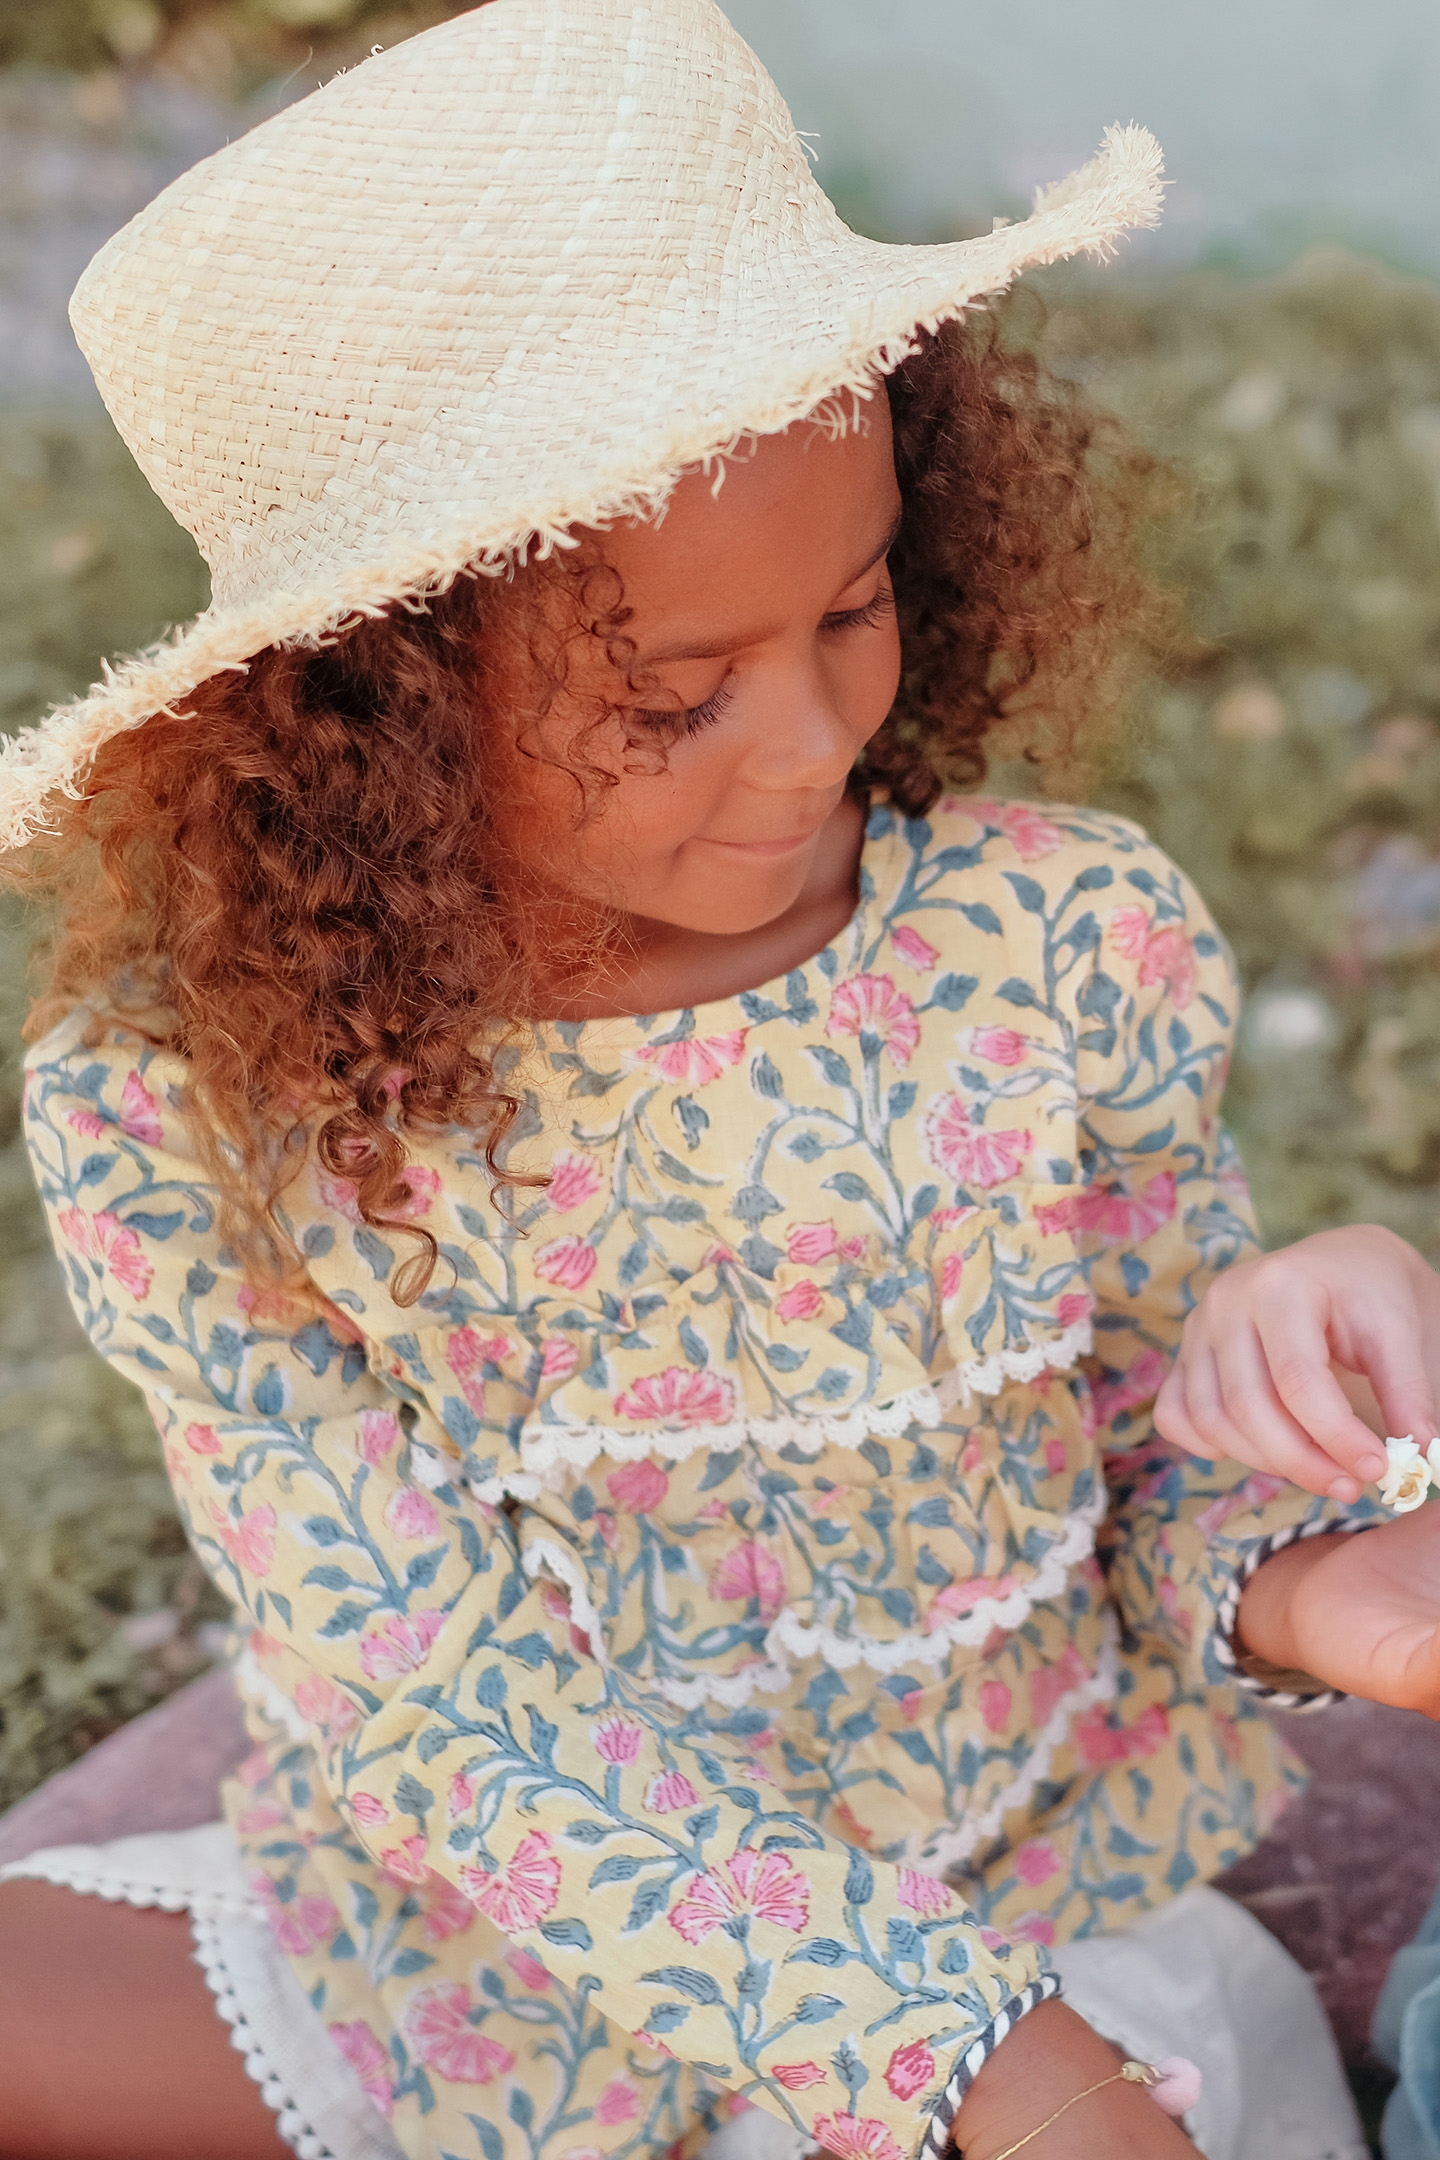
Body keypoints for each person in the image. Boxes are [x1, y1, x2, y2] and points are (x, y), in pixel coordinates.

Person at [0, 5, 1423, 2158]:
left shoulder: (1059, 942)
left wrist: (1315, 1577)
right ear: (366, 714)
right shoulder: (187, 1119)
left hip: (1023, 1905)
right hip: (497, 1960)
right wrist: (970, 2066)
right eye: (673, 701)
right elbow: (451, 1719)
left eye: (854, 607)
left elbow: (1153, 1454)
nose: (816, 745)